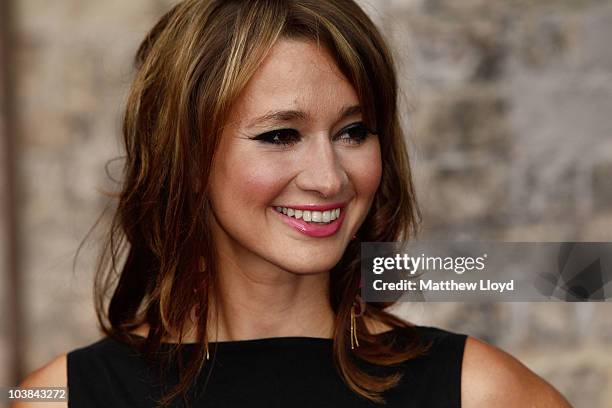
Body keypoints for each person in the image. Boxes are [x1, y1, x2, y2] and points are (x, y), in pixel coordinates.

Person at [15, 1, 571, 407]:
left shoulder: (479, 391)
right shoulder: (57, 398)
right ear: (182, 156)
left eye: (353, 132)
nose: (329, 179)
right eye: (280, 135)